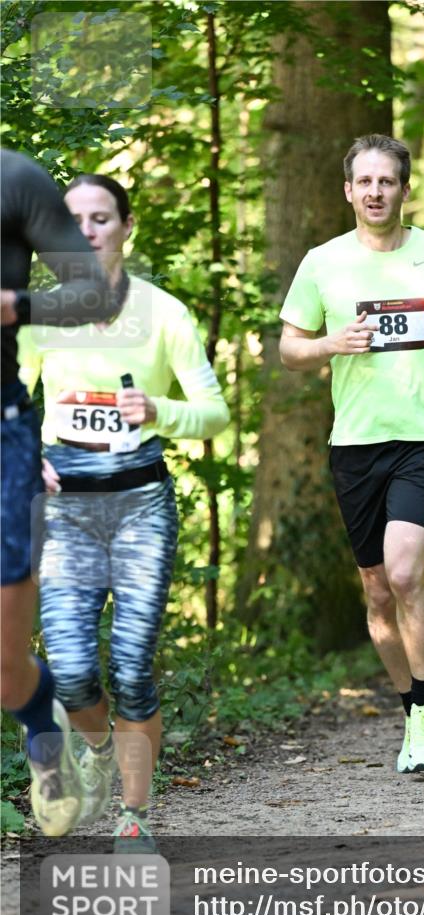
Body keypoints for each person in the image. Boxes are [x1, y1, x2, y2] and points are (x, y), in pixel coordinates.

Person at [19, 173, 229, 848]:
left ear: (125, 227)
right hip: (65, 507)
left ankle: (134, 818)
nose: (86, 232)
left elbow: (215, 413)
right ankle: (100, 751)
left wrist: (160, 409)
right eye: (73, 221)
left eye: (101, 218)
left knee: (133, 667)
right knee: (72, 669)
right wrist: (25, 458)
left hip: (141, 506)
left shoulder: (164, 314)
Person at [279, 134, 424, 773]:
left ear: (404, 189)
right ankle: (412, 708)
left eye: (387, 181)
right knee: (376, 592)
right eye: (365, 182)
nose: (376, 192)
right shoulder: (323, 263)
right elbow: (290, 347)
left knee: (403, 573)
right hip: (356, 443)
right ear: (349, 191)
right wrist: (330, 344)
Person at [1, 148, 116, 836]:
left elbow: (93, 292)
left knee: (6, 668)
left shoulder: (15, 180)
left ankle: (43, 732)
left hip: (4, 434)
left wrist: (15, 305)